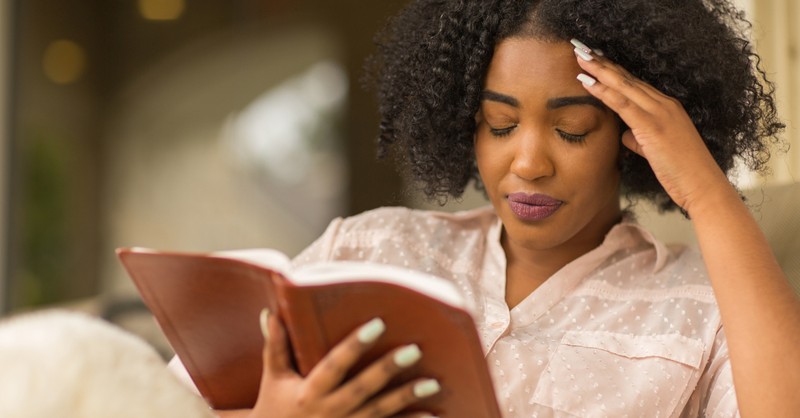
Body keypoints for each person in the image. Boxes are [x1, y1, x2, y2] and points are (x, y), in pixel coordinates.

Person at [204, 0, 800, 416]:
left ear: (634, 136)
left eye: (571, 129)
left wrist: (704, 189)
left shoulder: (708, 312)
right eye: (500, 123)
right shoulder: (364, 250)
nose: (529, 164)